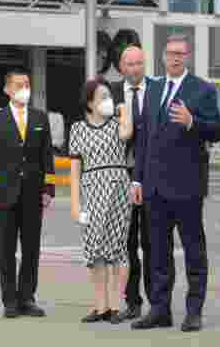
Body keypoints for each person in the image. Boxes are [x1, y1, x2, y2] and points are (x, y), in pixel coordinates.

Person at [130, 34, 220, 332]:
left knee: (194, 251)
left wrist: (193, 121)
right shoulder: (154, 87)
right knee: (157, 251)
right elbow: (144, 137)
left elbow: (218, 130)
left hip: (186, 186)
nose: (175, 58)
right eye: (171, 53)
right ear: (162, 56)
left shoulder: (203, 90)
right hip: (154, 187)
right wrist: (137, 179)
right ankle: (159, 309)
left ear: (188, 57)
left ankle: (193, 311)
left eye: (181, 54)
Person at [109, 45, 174, 323]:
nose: (135, 68)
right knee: (126, 243)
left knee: (154, 243)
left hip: (152, 179)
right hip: (121, 178)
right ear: (121, 67)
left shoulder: (160, 89)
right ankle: (132, 301)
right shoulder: (109, 93)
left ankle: (158, 304)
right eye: (130, 64)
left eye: (139, 63)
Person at [0, 70, 56, 319]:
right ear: (7, 90)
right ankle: (10, 300)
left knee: (31, 248)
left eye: (26, 84)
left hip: (33, 193)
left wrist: (48, 188)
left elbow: (47, 155)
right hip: (5, 192)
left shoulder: (40, 117)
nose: (24, 88)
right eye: (18, 85)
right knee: (6, 250)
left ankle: (27, 298)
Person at [68, 77, 134, 322]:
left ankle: (116, 305)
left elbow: (127, 134)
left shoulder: (118, 123)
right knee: (93, 248)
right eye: (102, 97)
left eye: (109, 96)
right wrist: (75, 205)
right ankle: (100, 305)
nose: (107, 101)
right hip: (92, 190)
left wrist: (123, 110)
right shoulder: (77, 129)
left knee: (117, 247)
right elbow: (75, 171)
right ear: (89, 102)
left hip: (117, 187)